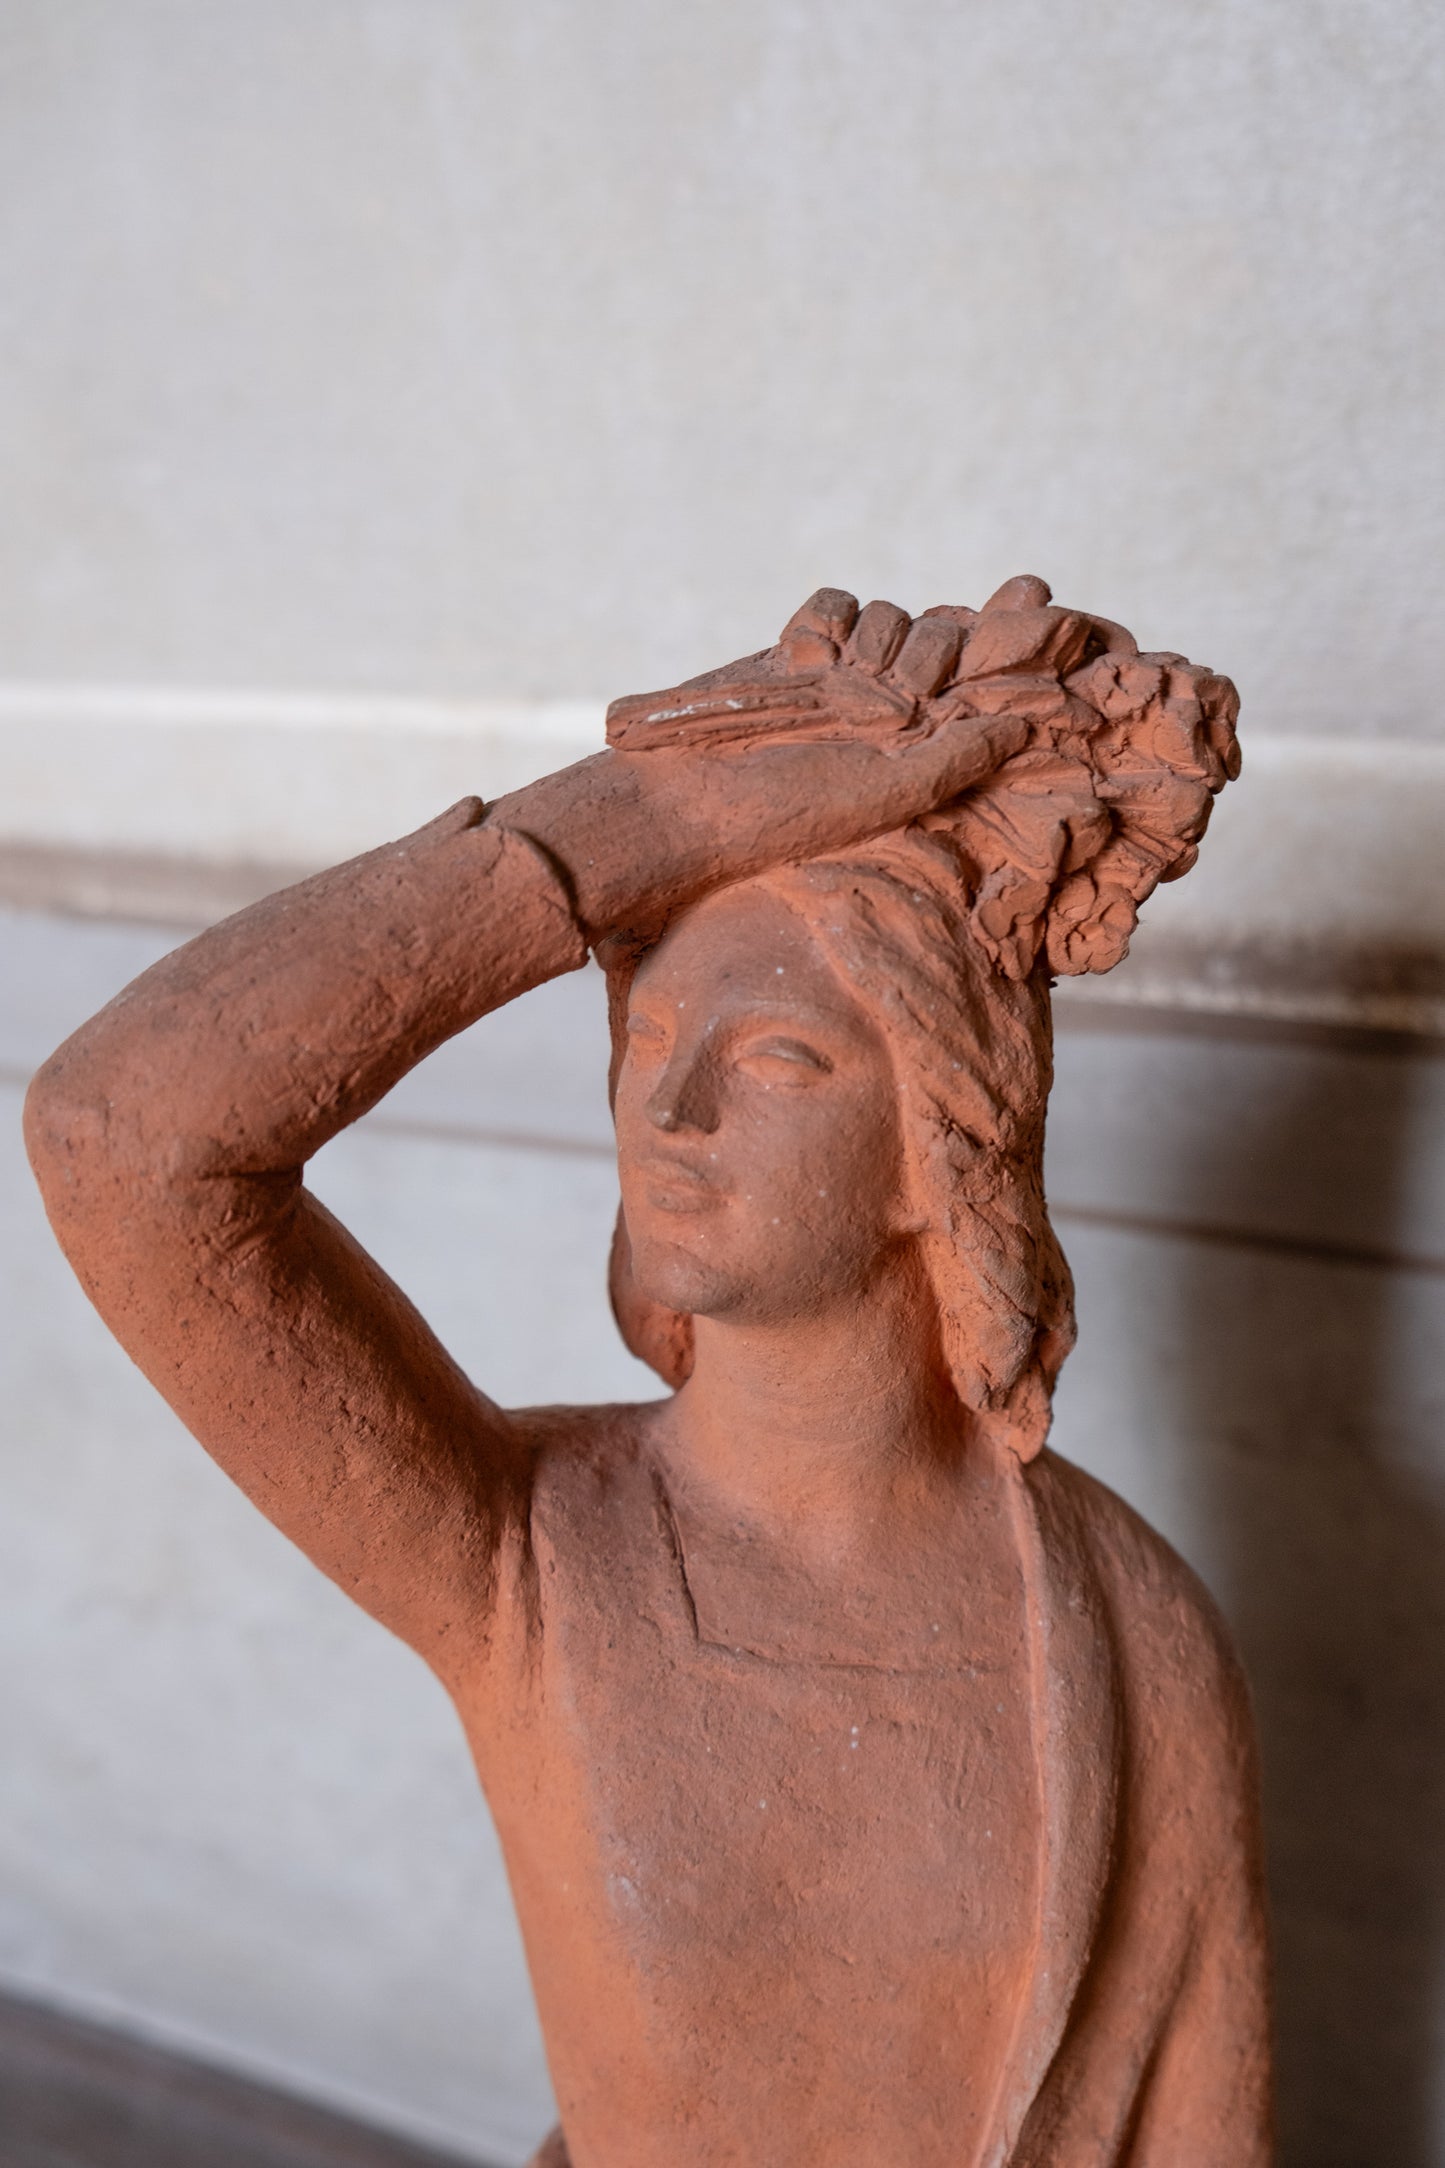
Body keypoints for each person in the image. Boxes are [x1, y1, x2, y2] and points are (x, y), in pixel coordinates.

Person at [25, 579, 1271, 2167]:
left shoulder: (1125, 1630)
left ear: (933, 1149)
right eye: (646, 1038)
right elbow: (122, 1141)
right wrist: (641, 816)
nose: (665, 1110)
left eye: (772, 1059)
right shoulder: (535, 1557)